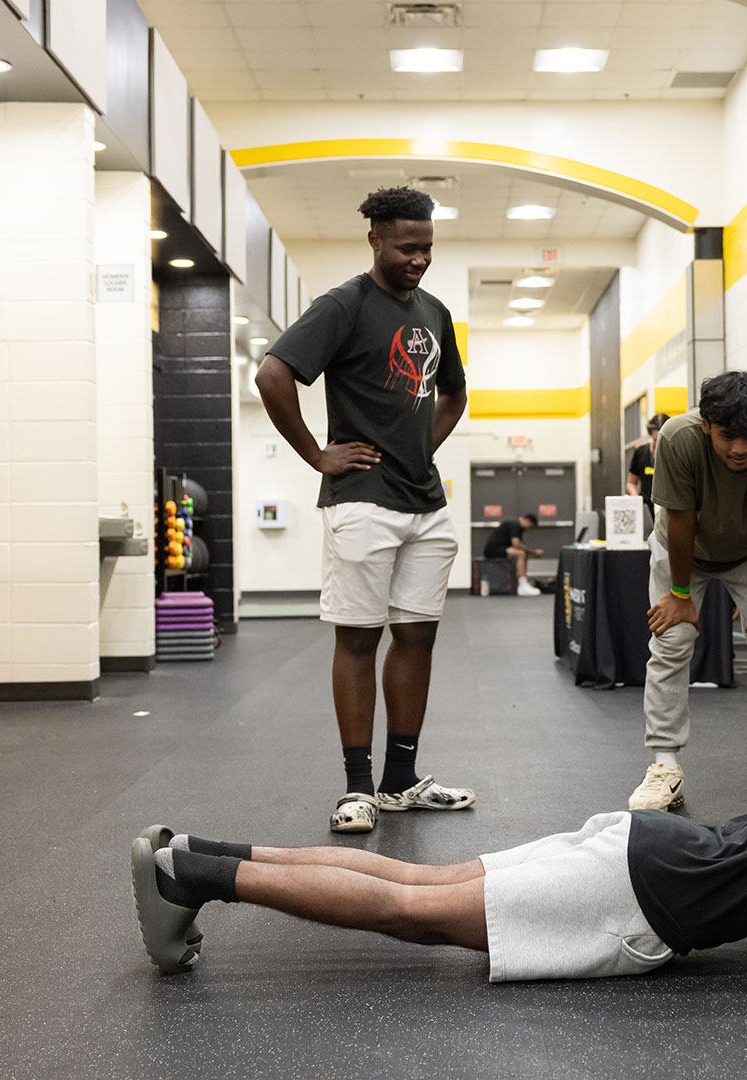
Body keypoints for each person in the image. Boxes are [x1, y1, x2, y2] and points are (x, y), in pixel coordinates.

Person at [129, 761, 747, 1014]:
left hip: (649, 845)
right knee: (416, 914)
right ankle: (189, 880)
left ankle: (200, 853)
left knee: (418, 879)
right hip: (642, 895)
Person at [254, 186, 475, 836]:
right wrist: (317, 455)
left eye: (427, 248)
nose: (418, 259)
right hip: (361, 501)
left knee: (417, 634)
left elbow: (455, 394)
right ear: (375, 239)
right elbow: (272, 375)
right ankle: (358, 788)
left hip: (425, 502)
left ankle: (400, 781)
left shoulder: (434, 312)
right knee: (358, 637)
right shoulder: (344, 305)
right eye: (406, 248)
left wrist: (420, 448)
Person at [630, 372, 747, 811]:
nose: (741, 449)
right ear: (707, 425)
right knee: (671, 640)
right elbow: (680, 519)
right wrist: (680, 595)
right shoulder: (679, 438)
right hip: (682, 548)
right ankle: (665, 766)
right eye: (728, 436)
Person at [625, 412, 670, 532]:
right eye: (655, 440)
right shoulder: (641, 452)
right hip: (646, 511)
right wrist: (636, 499)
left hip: (667, 510)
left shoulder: (673, 454)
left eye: (662, 440)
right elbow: (631, 483)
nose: (658, 444)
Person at [481, 513, 543, 596]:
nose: (528, 529)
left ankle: (523, 581)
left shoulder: (516, 525)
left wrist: (529, 552)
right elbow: (516, 544)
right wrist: (533, 552)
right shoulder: (516, 524)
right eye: (530, 526)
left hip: (500, 548)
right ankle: (523, 584)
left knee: (523, 553)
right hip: (492, 550)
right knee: (520, 554)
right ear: (527, 521)